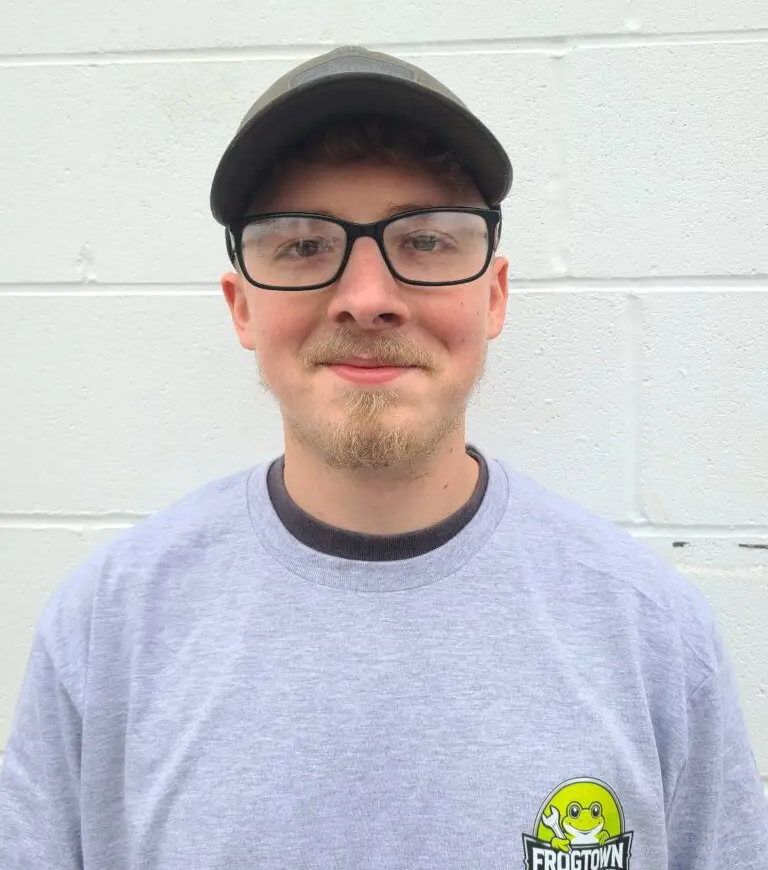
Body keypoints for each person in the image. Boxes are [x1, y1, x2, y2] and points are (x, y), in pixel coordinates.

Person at [0, 46, 765, 870]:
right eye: (301, 246)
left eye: (427, 240)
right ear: (242, 308)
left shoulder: (652, 634)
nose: (367, 298)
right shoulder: (107, 630)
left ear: (494, 296)